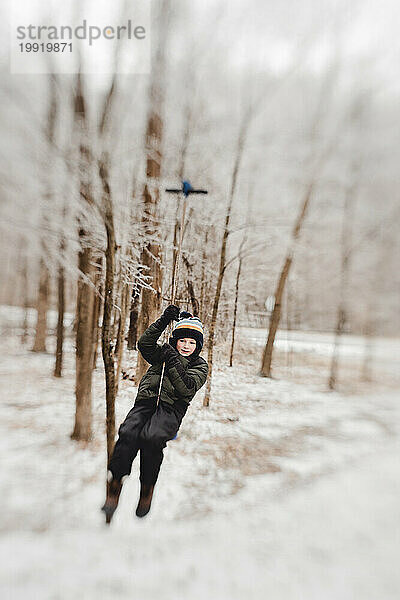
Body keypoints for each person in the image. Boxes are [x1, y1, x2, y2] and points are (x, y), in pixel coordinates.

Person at [101, 304, 208, 523]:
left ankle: (146, 490)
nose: (186, 346)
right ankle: (115, 485)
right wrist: (163, 321)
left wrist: (173, 360)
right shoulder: (162, 354)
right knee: (128, 433)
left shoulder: (200, 365)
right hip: (146, 403)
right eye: (182, 341)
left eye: (191, 342)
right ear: (175, 340)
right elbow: (144, 344)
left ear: (197, 345)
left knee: (152, 438)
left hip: (170, 411)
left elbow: (186, 387)